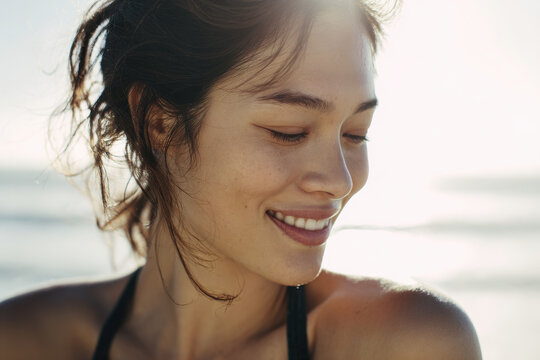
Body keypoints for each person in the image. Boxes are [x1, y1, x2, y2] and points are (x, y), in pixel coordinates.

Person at [0, 0, 482, 358]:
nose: (339, 180)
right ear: (159, 123)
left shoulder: (403, 344)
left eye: (356, 134)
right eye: (288, 132)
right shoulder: (24, 341)